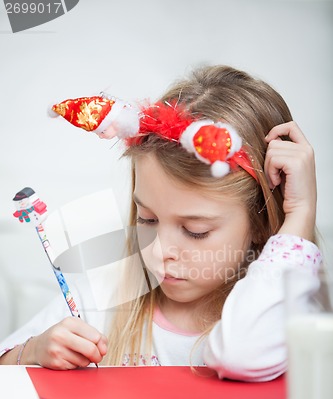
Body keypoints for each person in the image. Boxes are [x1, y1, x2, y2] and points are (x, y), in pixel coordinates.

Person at [0, 65, 321, 381]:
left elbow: (242, 353)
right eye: (147, 219)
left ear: (262, 224)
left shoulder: (286, 312)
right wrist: (32, 352)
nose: (159, 251)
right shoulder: (99, 301)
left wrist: (299, 216)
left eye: (196, 231)